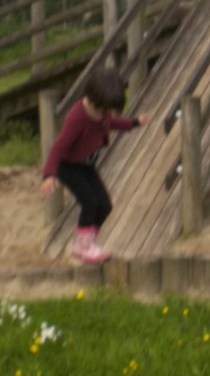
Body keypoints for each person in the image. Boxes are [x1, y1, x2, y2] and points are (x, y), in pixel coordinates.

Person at [39, 69, 150, 263]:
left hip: (86, 166)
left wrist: (134, 123)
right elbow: (58, 147)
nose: (107, 114)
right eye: (105, 110)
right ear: (92, 100)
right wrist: (49, 174)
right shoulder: (77, 118)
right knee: (90, 203)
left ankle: (87, 242)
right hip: (69, 167)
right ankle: (82, 246)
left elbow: (112, 122)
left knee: (105, 206)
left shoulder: (102, 112)